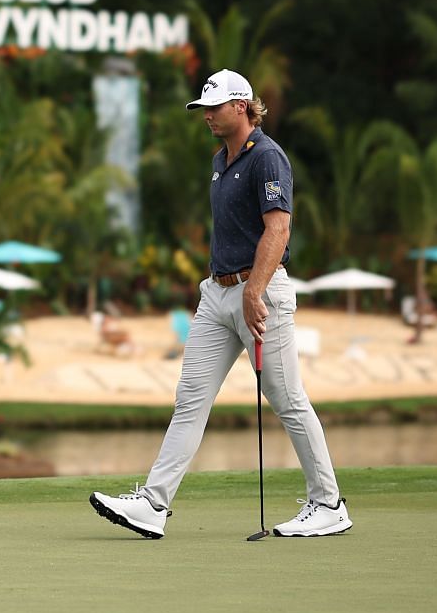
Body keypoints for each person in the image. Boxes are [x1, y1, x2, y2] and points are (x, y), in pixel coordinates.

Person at [92, 69, 350, 539]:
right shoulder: (221, 160)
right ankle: (153, 502)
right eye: (203, 108)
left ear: (241, 106)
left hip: (261, 292)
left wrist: (253, 292)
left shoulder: (267, 158)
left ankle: (328, 502)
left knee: (289, 401)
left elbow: (279, 229)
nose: (207, 115)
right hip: (216, 294)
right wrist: (223, 286)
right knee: (189, 400)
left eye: (214, 107)